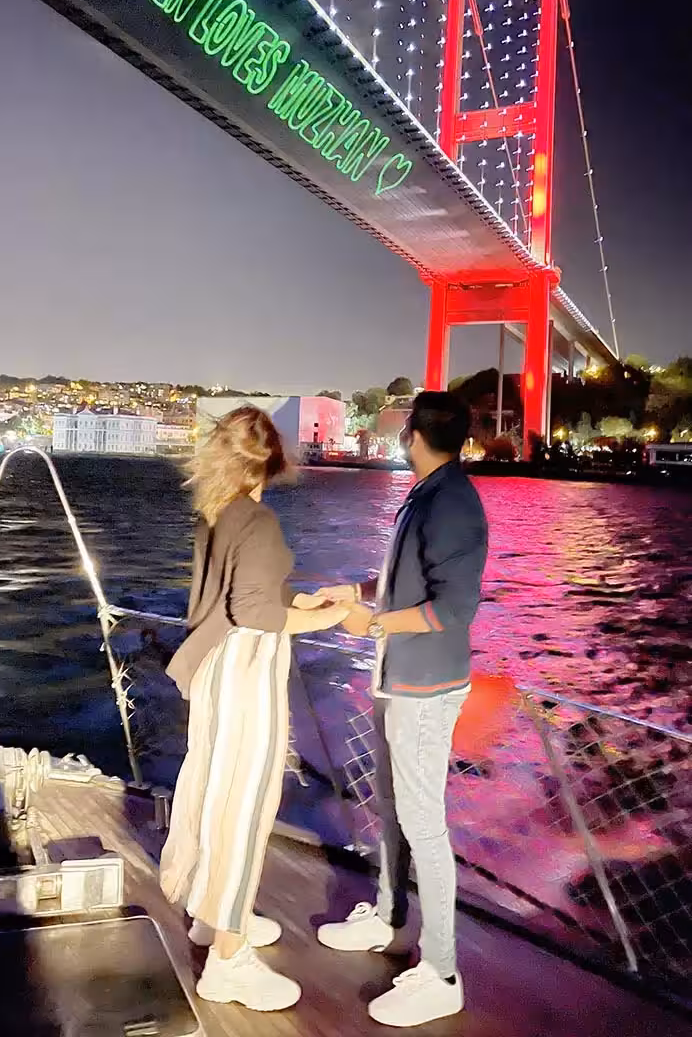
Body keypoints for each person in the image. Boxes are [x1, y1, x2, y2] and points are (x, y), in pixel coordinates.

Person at [159, 406, 352, 1012]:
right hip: (246, 672)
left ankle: (210, 917)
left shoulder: (215, 515)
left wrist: (300, 597)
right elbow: (258, 613)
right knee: (245, 804)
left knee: (214, 790)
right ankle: (228, 959)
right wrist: (330, 616)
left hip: (214, 667)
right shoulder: (261, 520)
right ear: (273, 460)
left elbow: (245, 594)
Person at [316, 391, 488, 1028]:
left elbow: (453, 609)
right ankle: (388, 913)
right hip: (402, 681)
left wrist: (373, 621)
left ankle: (442, 972)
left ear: (411, 432)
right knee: (393, 807)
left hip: (426, 689)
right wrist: (358, 590)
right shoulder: (429, 493)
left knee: (425, 825)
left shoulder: (451, 503)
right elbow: (410, 580)